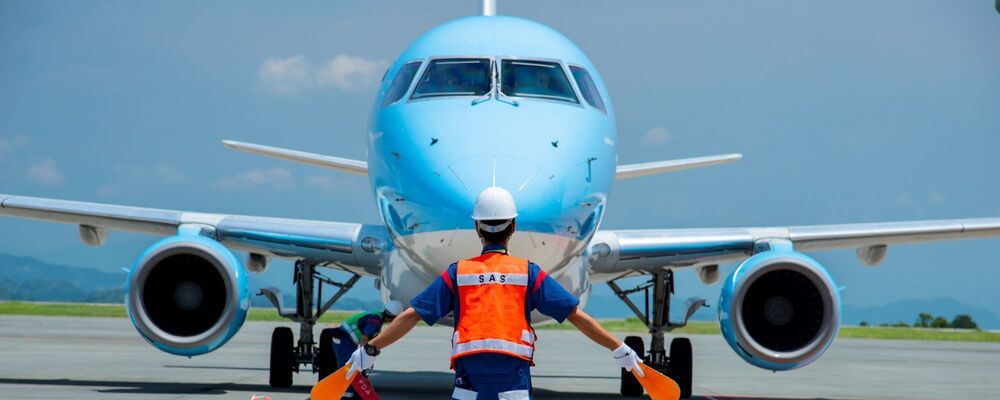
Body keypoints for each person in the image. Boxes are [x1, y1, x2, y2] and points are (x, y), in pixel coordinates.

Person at [346, 187, 644, 400]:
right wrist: (620, 349)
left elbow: (411, 316)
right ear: (512, 227)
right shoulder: (528, 273)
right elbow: (576, 316)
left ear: (477, 228)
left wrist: (370, 351)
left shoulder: (458, 272)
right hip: (512, 378)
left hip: (468, 378)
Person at [327, 301, 403, 397]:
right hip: (344, 340)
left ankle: (352, 394)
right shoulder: (375, 321)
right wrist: (362, 355)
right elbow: (364, 338)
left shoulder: (377, 316)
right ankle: (346, 396)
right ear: (393, 317)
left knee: (354, 369)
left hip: (347, 340)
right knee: (349, 370)